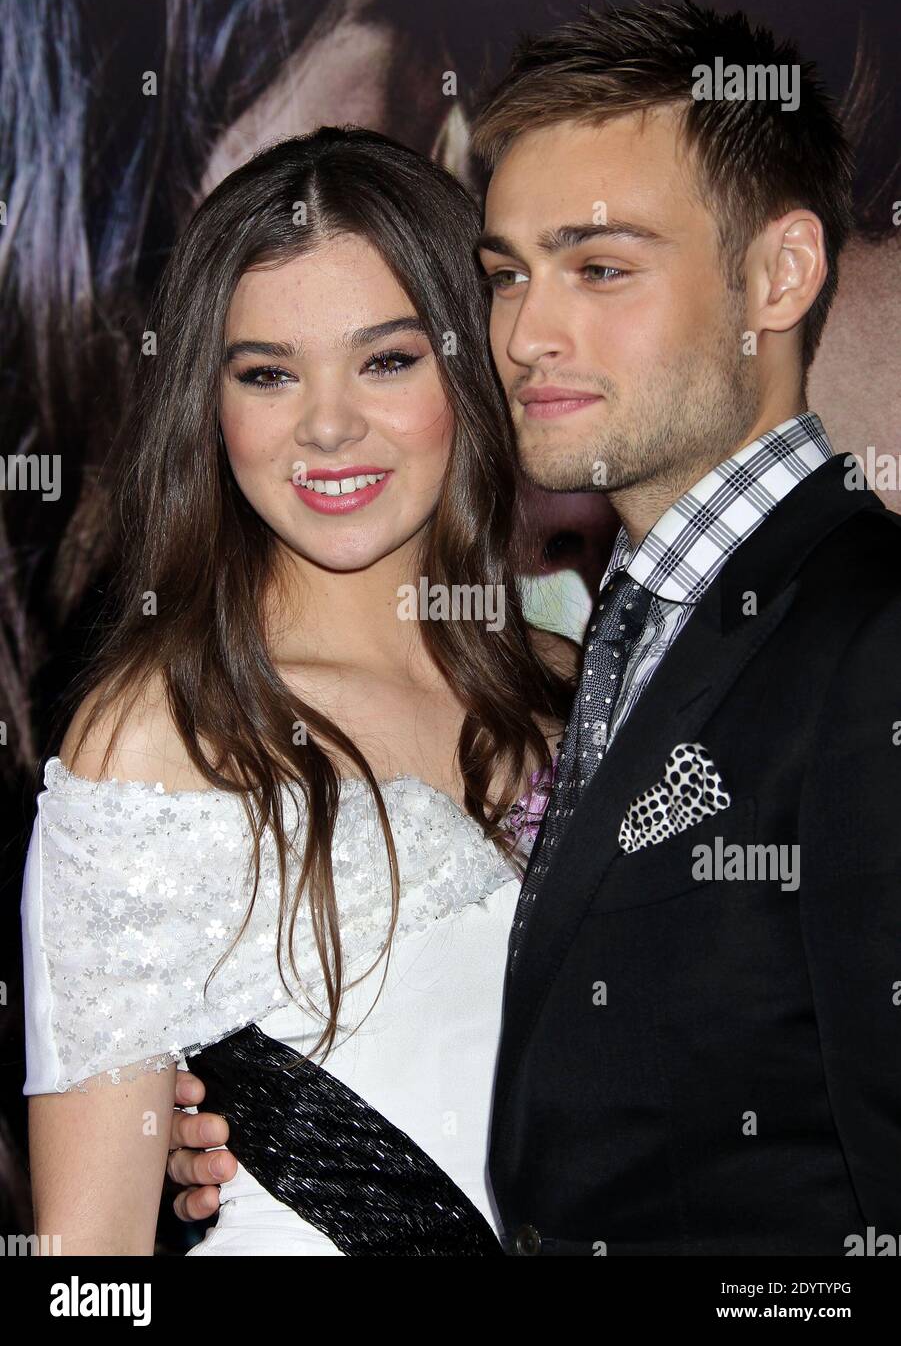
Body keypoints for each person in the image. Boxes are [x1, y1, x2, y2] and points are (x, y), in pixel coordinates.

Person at [172, 0, 901, 1255]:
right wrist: (291, 1132)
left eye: (600, 267)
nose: (523, 335)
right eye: (505, 275)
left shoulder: (871, 634)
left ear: (778, 275)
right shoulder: (596, 647)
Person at [20, 126, 574, 1255]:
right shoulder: (159, 739)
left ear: (468, 363)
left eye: (386, 359)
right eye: (268, 373)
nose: (326, 424)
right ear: (208, 407)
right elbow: (89, 1262)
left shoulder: (583, 693)